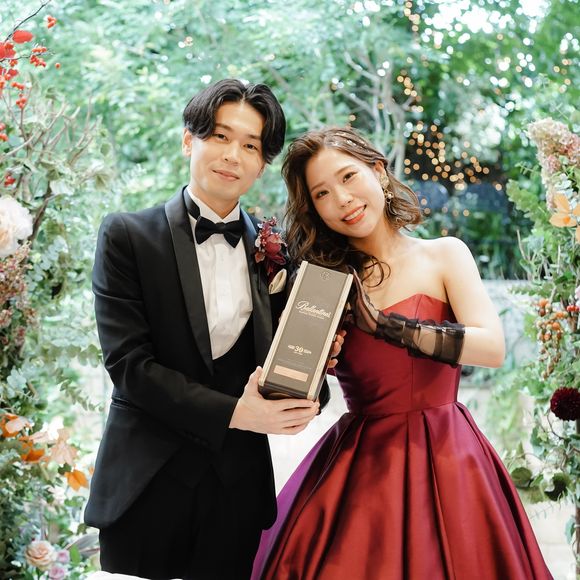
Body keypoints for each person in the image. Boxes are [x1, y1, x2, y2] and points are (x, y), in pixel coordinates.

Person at [252, 127, 553, 580]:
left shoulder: (444, 254)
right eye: (322, 193)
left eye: (348, 177)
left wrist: (387, 327)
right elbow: (297, 394)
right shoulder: (323, 283)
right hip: (363, 467)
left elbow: (492, 347)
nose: (342, 199)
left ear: (378, 171)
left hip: (450, 456)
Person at [84, 79, 336, 580]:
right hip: (147, 480)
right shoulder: (128, 236)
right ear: (188, 140)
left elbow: (292, 360)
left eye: (250, 146)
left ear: (262, 164)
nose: (232, 155)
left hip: (235, 491)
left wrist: (313, 381)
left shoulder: (278, 251)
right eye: (220, 136)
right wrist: (237, 412)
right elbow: (129, 367)